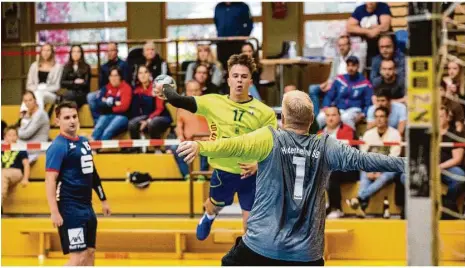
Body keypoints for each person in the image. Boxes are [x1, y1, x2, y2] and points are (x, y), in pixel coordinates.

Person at [176, 90, 405, 266]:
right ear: (312, 119)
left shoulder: (270, 138)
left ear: (283, 117)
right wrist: (407, 164)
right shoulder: (326, 145)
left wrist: (200, 146)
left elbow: (232, 145)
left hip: (260, 246)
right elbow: (366, 160)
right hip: (307, 254)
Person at [154, 53, 277, 241]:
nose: (239, 81)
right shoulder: (213, 102)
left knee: (250, 226)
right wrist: (166, 89)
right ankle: (209, 215)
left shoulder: (264, 112)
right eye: (235, 76)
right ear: (228, 79)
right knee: (214, 205)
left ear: (250, 81)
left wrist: (258, 166)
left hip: (251, 175)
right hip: (223, 171)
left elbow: (272, 146)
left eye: (244, 77)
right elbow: (179, 100)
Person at [45, 101, 111, 266]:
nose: (72, 120)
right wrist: (54, 211)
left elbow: (92, 173)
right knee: (78, 257)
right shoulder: (58, 146)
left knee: (89, 254)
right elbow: (50, 180)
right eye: (66, 117)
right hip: (70, 209)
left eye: (74, 116)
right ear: (57, 121)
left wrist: (103, 199)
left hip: (87, 207)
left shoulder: (83, 141)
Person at [347, 107, 402, 217]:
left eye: (382, 116)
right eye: (376, 117)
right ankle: (362, 203)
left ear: (387, 118)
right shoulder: (368, 134)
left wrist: (379, 171)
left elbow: (394, 157)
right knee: (364, 174)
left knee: (384, 177)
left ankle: (360, 198)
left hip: (389, 168)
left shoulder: (395, 134)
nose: (379, 119)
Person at [317, 106, 357, 219]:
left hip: (347, 168)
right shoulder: (320, 133)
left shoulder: (348, 130)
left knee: (331, 172)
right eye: (328, 115)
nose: (330, 118)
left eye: (333, 115)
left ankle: (336, 208)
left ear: (339, 117)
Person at [308, 35, 364, 116]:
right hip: (334, 83)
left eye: (344, 45)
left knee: (330, 92)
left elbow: (356, 75)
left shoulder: (355, 59)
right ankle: (316, 117)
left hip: (345, 85)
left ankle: (327, 112)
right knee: (312, 89)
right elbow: (332, 76)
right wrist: (327, 82)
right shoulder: (337, 59)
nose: (341, 48)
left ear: (349, 45)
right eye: (340, 45)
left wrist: (334, 83)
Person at [317, 56, 373, 130]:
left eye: (353, 65)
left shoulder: (365, 83)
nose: (350, 68)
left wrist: (363, 114)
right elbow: (329, 95)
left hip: (354, 110)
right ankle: (314, 139)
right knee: (320, 117)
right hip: (338, 108)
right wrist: (326, 107)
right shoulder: (340, 79)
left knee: (345, 118)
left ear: (358, 66)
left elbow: (369, 102)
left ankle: (351, 139)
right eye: (348, 65)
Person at [173, 80, 210, 180]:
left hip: (206, 140)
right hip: (188, 140)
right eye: (191, 90)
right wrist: (180, 135)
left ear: (201, 91)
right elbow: (179, 125)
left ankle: (202, 174)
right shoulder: (181, 108)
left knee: (206, 145)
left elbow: (215, 124)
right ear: (187, 91)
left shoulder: (208, 105)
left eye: (196, 90)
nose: (193, 93)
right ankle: (187, 175)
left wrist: (209, 137)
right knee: (174, 148)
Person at [88, 42, 131, 123]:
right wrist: (103, 94)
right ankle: (97, 121)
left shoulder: (124, 65)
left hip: (120, 91)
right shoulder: (103, 67)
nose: (110, 53)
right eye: (108, 51)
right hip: (107, 91)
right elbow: (101, 85)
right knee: (91, 96)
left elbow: (126, 82)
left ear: (117, 51)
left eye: (112, 50)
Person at [128, 65, 172, 142]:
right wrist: (140, 120)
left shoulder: (157, 88)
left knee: (152, 123)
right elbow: (135, 110)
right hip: (145, 116)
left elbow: (159, 109)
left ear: (150, 74)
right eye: (140, 73)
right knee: (132, 123)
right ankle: (136, 149)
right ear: (137, 75)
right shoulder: (136, 90)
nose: (143, 75)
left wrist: (148, 120)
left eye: (145, 72)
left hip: (161, 116)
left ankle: (156, 148)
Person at [347, 2, 392, 70]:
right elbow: (349, 27)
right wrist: (368, 31)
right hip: (368, 49)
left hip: (384, 47)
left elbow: (385, 26)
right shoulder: (359, 9)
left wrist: (362, 29)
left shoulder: (383, 7)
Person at [438, 105, 465, 217]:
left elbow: (457, 159)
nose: (438, 119)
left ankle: (447, 204)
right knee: (405, 177)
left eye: (441, 116)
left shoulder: (455, 134)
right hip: (427, 167)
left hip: (447, 167)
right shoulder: (426, 134)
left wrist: (440, 167)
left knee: (460, 177)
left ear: (448, 117)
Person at [92, 67, 132, 141]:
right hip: (108, 114)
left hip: (122, 116)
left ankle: (97, 150)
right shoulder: (106, 87)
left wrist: (107, 103)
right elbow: (98, 103)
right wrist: (115, 103)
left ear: (120, 77)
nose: (113, 78)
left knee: (107, 131)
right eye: (111, 76)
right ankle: (91, 149)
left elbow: (124, 107)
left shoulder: (126, 88)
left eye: (116, 75)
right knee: (98, 128)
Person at [214, 2, 254, 71]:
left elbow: (249, 24)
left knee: (238, 67)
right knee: (223, 68)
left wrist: (242, 36)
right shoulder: (218, 7)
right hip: (222, 43)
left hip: (237, 43)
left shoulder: (243, 6)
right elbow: (216, 22)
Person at [26, 43, 63, 110]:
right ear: (41, 52)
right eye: (43, 50)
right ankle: (27, 118)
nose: (46, 52)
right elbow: (29, 85)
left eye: (48, 50)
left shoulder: (58, 67)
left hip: (51, 94)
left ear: (52, 52)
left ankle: (34, 118)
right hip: (36, 92)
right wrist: (38, 88)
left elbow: (57, 87)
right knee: (29, 98)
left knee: (37, 95)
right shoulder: (34, 65)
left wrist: (42, 88)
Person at [18, 91, 50, 163]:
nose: (28, 103)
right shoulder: (30, 114)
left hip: (37, 148)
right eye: (25, 101)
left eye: (30, 100)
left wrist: (17, 132)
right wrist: (26, 117)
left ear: (35, 100)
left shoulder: (40, 114)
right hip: (28, 145)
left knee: (11, 142)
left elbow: (25, 134)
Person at [2, 127, 30, 204]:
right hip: (3, 172)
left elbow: (26, 164)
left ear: (17, 137)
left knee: (2, 174)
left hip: (16, 172)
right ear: (4, 137)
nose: (12, 137)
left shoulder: (21, 148)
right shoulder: (2, 149)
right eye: (9, 135)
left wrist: (25, 178)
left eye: (14, 135)